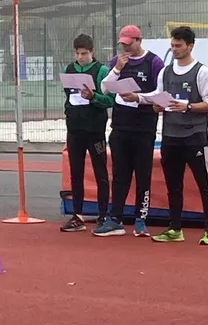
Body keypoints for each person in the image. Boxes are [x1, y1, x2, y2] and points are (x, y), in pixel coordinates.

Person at [141, 26, 208, 245]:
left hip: (194, 136)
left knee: (204, 184)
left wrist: (187, 106)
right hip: (170, 136)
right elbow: (158, 99)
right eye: (172, 46)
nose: (174, 49)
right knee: (173, 185)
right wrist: (140, 99)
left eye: (178, 45)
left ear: (190, 46)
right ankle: (175, 228)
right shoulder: (165, 72)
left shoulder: (202, 72)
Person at [94, 25, 164, 238]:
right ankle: (115, 218)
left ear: (138, 40)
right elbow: (105, 88)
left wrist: (139, 98)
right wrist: (116, 70)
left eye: (128, 43)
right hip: (120, 126)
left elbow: (161, 94)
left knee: (143, 174)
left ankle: (140, 219)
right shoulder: (117, 61)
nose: (125, 47)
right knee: (119, 174)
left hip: (144, 127)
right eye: (122, 44)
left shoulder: (154, 62)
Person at [59, 35, 112, 232]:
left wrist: (93, 97)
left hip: (95, 130)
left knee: (100, 173)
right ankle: (77, 215)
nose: (80, 57)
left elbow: (110, 100)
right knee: (76, 173)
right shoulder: (69, 69)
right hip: (74, 129)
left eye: (84, 53)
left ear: (92, 52)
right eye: (77, 53)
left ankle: (103, 214)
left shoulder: (102, 71)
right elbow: (69, 95)